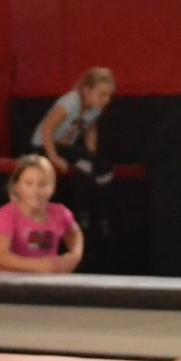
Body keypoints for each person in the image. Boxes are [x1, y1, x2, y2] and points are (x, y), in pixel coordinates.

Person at [33, 67, 117, 237]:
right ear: (86, 90)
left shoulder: (95, 108)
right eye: (102, 94)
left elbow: (90, 129)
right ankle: (81, 215)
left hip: (66, 147)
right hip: (44, 145)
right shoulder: (71, 102)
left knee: (105, 169)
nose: (106, 99)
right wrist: (53, 157)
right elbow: (47, 128)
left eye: (109, 95)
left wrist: (92, 154)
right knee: (84, 164)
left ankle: (101, 213)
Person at [0, 154, 83, 275]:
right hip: (12, 283)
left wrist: (73, 257)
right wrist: (40, 266)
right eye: (29, 184)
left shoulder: (61, 213)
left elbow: (75, 234)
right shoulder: (7, 214)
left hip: (49, 282)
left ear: (53, 187)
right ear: (16, 187)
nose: (35, 191)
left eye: (42, 184)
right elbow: (0, 256)